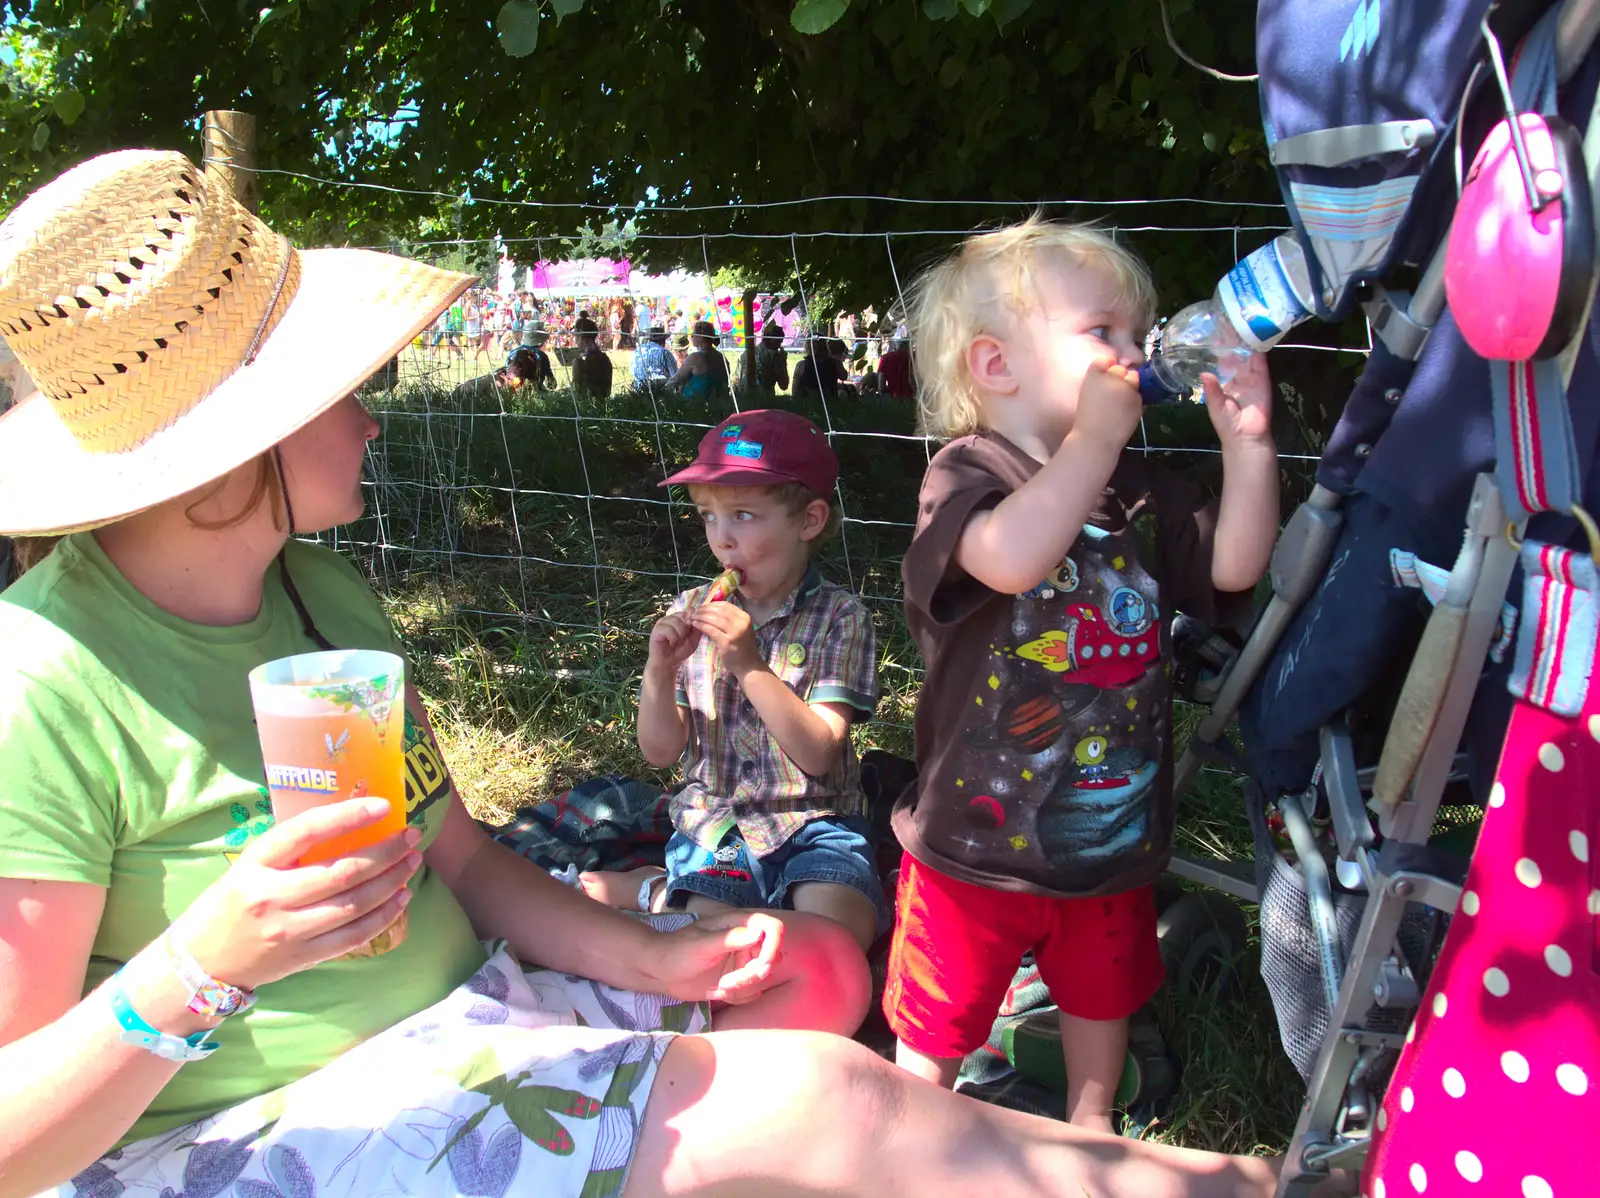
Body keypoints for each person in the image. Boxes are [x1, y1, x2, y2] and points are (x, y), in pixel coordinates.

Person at [0, 150, 1344, 1198]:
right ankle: (1252, 1181)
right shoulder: (43, 683)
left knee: (812, 970)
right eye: (337, 387)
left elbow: (463, 862)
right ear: (234, 444)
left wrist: (660, 945)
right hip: (252, 1122)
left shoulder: (318, 591)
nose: (372, 405)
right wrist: (212, 960)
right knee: (827, 1096)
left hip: (449, 1007)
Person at [887, 216, 1280, 1132]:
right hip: (975, 837)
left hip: (1109, 825)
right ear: (997, 367)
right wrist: (1091, 447)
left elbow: (1233, 565)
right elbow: (1012, 557)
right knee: (941, 1010)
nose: (1133, 353)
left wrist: (1249, 445)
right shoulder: (966, 474)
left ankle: (1092, 1123)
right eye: (1102, 333)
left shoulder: (1139, 483)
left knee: (1104, 991)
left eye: (1133, 335)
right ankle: (908, 1129)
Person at [580, 412, 888, 955]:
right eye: (707, 516)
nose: (722, 540)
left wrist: (750, 666)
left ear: (809, 520)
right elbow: (659, 752)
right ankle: (659, 890)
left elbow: (818, 753)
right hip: (717, 825)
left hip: (816, 820)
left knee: (837, 940)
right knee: (716, 945)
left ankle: (658, 891)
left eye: (742, 515)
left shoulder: (841, 618)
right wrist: (659, 671)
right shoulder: (693, 610)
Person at [666, 319, 730, 399]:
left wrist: (661, 392)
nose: (691, 336)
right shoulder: (722, 357)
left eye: (693, 333)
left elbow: (675, 381)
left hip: (695, 407)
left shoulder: (695, 358)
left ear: (701, 338)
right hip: (719, 405)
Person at [791, 335, 849, 402]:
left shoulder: (801, 365)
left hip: (809, 404)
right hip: (830, 404)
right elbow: (844, 376)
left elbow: (795, 393)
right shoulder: (835, 363)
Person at [743, 320, 790, 401]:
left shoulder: (747, 352)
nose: (780, 345)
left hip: (744, 399)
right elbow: (784, 385)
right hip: (765, 401)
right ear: (770, 338)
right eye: (779, 341)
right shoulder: (774, 355)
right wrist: (783, 361)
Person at [570, 314, 614, 398]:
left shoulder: (580, 363)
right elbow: (607, 392)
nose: (575, 340)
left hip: (584, 408)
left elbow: (575, 392)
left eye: (576, 337)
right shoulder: (606, 359)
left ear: (583, 338)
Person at [631, 324, 677, 391]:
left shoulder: (637, 351)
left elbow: (633, 371)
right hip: (659, 391)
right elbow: (675, 377)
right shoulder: (665, 353)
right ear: (662, 340)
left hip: (638, 390)